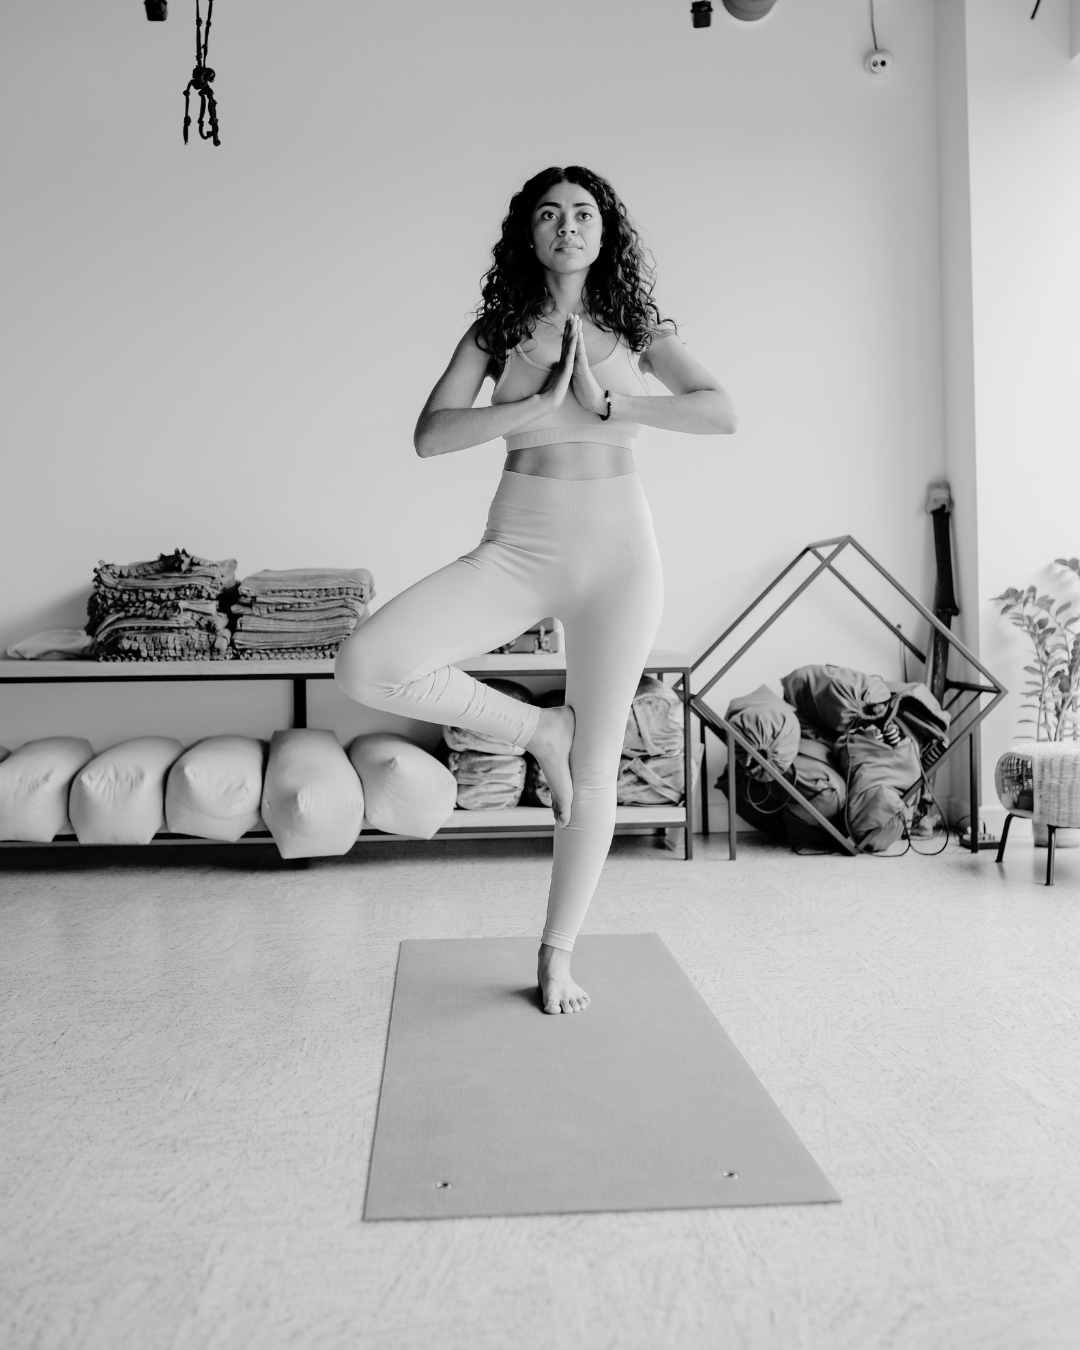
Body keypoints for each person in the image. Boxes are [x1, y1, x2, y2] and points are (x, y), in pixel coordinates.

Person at [335, 165, 736, 1014]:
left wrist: (610, 402)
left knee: (597, 768)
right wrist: (534, 405)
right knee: (367, 662)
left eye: (583, 213)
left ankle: (558, 954)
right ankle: (535, 730)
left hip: (620, 556)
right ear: (528, 232)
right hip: (521, 543)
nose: (568, 226)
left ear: (605, 230)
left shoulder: (636, 326)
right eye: (549, 214)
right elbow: (430, 435)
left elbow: (720, 410)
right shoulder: (499, 330)